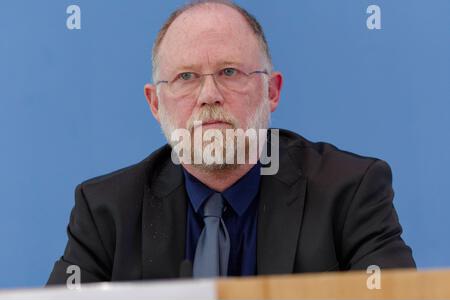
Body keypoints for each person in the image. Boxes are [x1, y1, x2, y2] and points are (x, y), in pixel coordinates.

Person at [47, 0, 415, 285]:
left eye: (229, 72)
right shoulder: (106, 211)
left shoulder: (349, 192)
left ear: (271, 91)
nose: (209, 95)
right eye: (186, 76)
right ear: (155, 104)